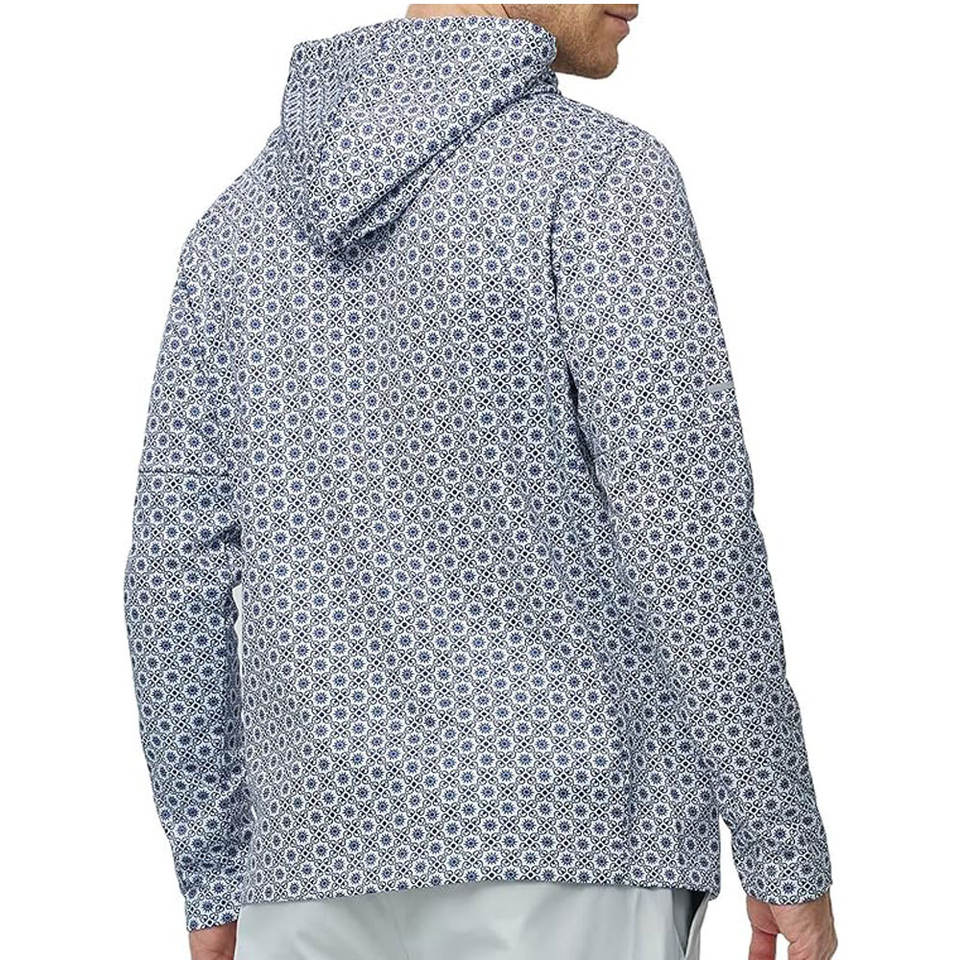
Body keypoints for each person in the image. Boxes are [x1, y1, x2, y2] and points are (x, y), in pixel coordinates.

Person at [122, 5, 838, 959]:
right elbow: (688, 531)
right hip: (573, 846)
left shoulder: (233, 236)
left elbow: (171, 578)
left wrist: (215, 879)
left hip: (306, 870)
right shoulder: (598, 179)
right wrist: (783, 844)